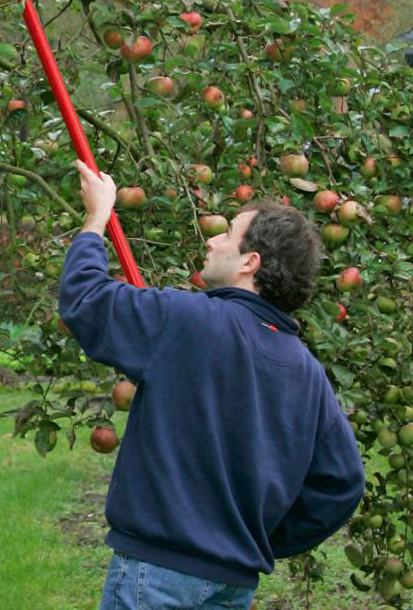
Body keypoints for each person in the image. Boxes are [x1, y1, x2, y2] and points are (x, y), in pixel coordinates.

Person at [59, 160, 365, 610]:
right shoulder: (306, 371)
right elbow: (342, 483)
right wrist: (251, 536)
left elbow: (85, 301)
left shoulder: (190, 321)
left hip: (160, 572)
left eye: (228, 234)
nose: (212, 238)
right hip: (232, 583)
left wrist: (96, 219)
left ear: (250, 262)